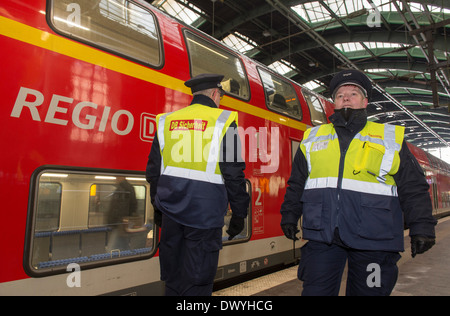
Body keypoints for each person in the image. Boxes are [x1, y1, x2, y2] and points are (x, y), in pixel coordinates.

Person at [280, 69, 437, 296]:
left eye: (353, 93)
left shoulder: (389, 138)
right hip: (323, 237)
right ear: (333, 103)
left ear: (365, 101)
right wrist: (289, 215)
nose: (346, 97)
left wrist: (422, 226)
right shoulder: (313, 137)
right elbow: (297, 183)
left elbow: (412, 186)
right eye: (340, 94)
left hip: (374, 238)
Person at [146, 73, 249, 296]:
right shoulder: (224, 120)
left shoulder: (166, 121)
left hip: (171, 213)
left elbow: (153, 172)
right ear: (214, 93)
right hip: (204, 217)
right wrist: (240, 213)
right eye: (220, 96)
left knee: (173, 278)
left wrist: (157, 208)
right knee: (198, 282)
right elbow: (233, 173)